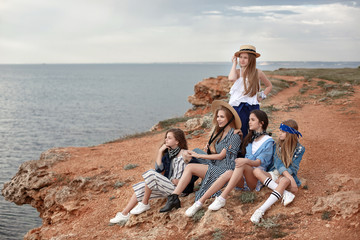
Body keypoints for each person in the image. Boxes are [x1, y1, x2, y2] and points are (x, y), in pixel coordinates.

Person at [184, 109, 274, 217]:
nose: (249, 122)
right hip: (242, 176)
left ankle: (222, 198)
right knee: (228, 173)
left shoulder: (268, 141)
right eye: (249, 119)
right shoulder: (251, 139)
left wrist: (245, 160)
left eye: (253, 120)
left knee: (242, 164)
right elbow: (239, 151)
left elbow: (259, 162)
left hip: (256, 177)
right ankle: (199, 203)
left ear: (261, 123)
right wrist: (240, 137)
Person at [159, 100, 242, 213]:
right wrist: (206, 151)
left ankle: (175, 196)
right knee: (193, 151)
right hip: (217, 164)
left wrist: (198, 156)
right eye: (217, 116)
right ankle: (181, 183)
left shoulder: (235, 135)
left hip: (225, 169)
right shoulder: (221, 133)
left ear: (229, 118)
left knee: (191, 166)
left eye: (222, 117)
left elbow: (221, 156)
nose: (218, 119)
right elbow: (216, 154)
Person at [109, 128, 189, 225]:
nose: (166, 140)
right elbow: (159, 169)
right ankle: (124, 214)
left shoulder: (185, 154)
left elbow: (192, 170)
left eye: (169, 138)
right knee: (143, 186)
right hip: (169, 186)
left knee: (151, 174)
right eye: (166, 138)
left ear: (177, 141)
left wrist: (180, 181)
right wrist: (160, 152)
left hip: (179, 190)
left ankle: (144, 203)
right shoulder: (169, 154)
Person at [250, 119, 305, 223]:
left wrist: (289, 178)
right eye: (280, 130)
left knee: (284, 181)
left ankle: (261, 210)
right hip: (274, 172)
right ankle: (284, 193)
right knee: (256, 171)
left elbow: (294, 167)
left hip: (287, 175)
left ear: (290, 134)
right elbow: (278, 163)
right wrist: (287, 178)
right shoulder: (277, 145)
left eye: (283, 131)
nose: (280, 133)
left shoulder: (300, 149)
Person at [228, 45, 272, 140]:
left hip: (252, 106)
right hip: (237, 107)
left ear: (251, 59)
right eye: (240, 57)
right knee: (239, 130)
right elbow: (231, 78)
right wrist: (234, 63)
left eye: (245, 58)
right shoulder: (238, 72)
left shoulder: (258, 72)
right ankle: (240, 151)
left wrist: (261, 96)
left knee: (255, 130)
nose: (242, 60)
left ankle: (254, 149)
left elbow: (269, 86)